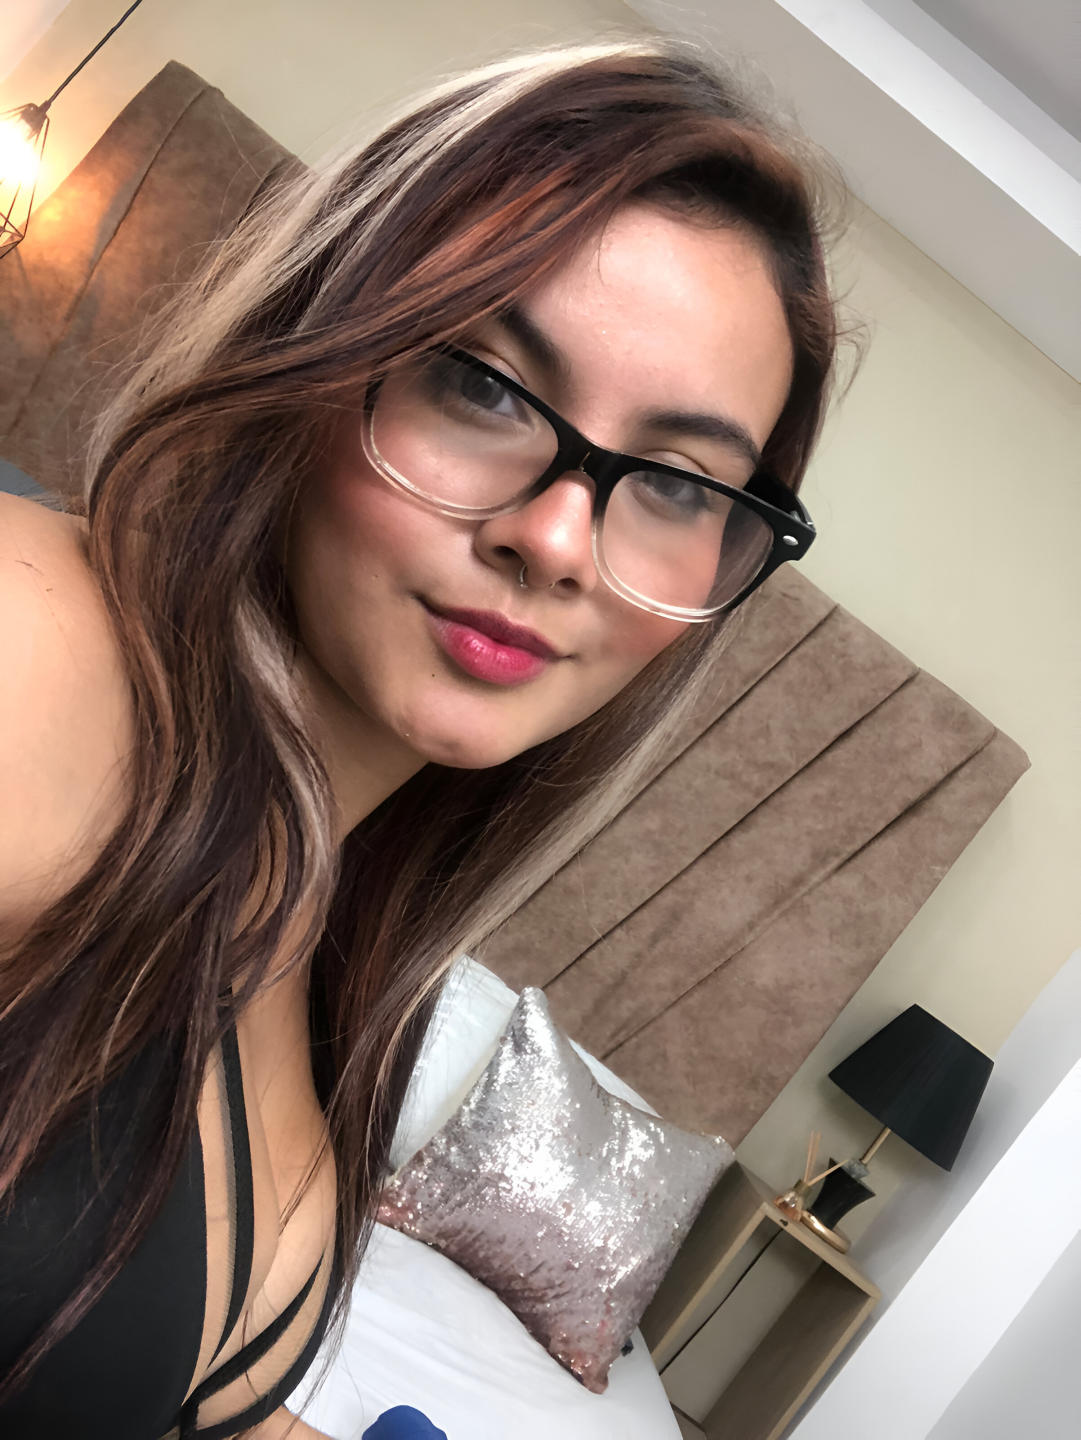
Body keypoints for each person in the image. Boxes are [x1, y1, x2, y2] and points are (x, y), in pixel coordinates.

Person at [0, 34, 846, 1440]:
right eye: (487, 388)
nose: (557, 539)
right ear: (316, 349)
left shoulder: (331, 987)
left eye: (679, 486)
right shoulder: (44, 657)